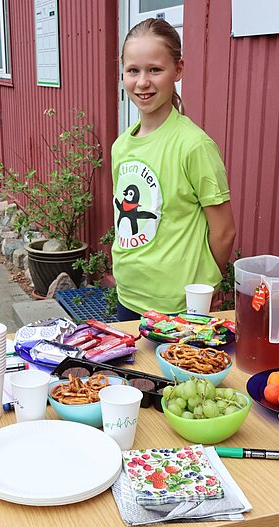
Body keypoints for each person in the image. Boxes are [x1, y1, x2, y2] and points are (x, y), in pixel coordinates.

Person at [111, 18, 236, 321]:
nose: (143, 82)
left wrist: (206, 284)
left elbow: (224, 232)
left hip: (179, 307)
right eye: (133, 71)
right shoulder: (121, 147)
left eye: (155, 69)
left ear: (178, 70)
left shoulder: (194, 146)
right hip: (127, 296)